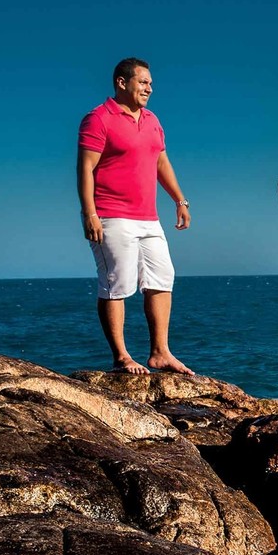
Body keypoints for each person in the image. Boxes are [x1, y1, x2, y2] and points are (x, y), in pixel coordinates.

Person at [77, 57, 194, 375]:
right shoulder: (98, 119)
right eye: (143, 82)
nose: (149, 88)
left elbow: (161, 162)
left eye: (151, 84)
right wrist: (89, 213)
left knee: (162, 277)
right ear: (122, 82)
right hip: (111, 215)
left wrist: (180, 200)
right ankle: (121, 357)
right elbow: (85, 167)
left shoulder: (153, 120)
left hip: (148, 217)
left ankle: (160, 352)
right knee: (117, 283)